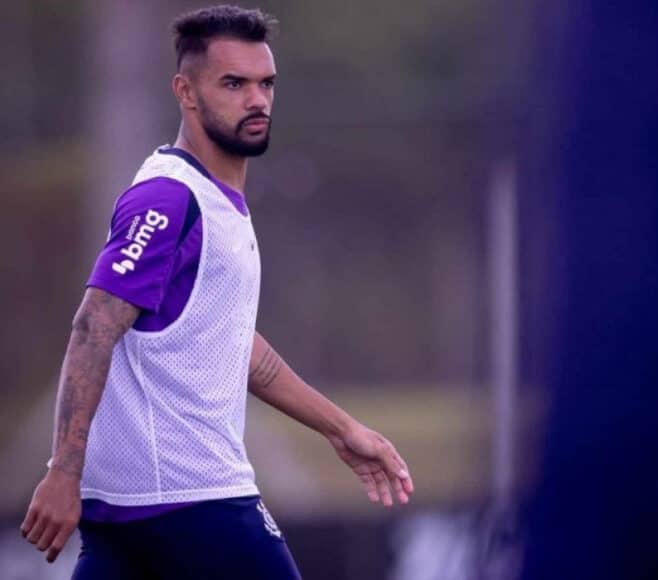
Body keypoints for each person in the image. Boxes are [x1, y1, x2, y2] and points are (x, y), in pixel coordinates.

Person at [19, 6, 414, 578]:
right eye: (234, 84)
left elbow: (230, 344)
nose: (257, 100)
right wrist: (62, 471)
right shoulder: (168, 199)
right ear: (185, 91)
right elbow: (93, 326)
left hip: (132, 514)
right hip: (194, 498)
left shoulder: (215, 201)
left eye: (265, 84)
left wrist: (342, 429)